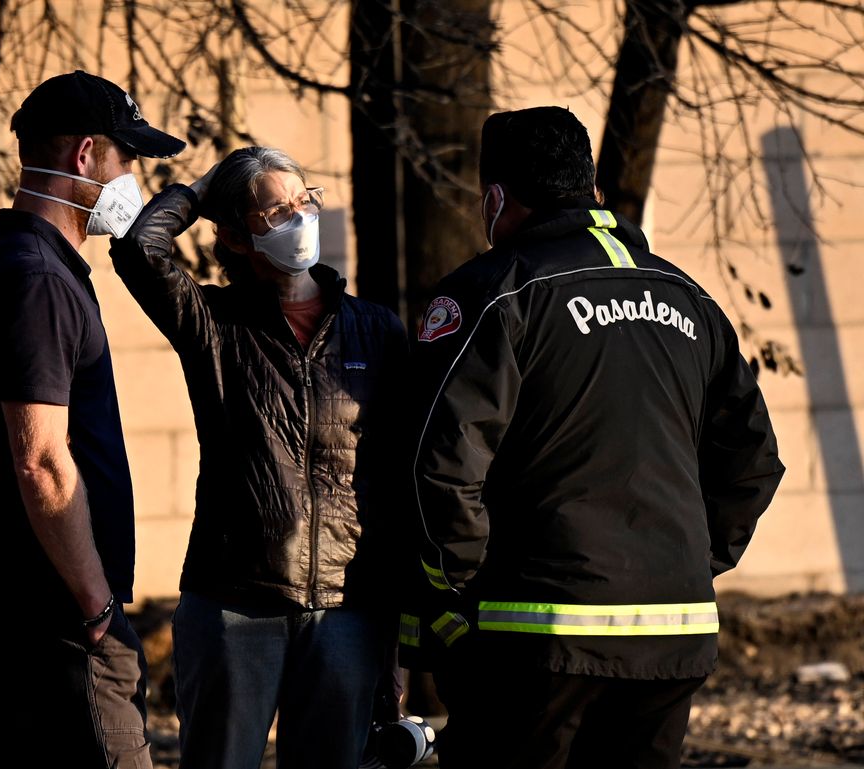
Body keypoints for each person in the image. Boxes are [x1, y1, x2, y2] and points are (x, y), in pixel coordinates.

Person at [403, 106, 785, 769]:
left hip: (538, 638)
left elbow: (441, 467)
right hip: (674, 634)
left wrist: (458, 590)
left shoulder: (495, 293)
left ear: (497, 199)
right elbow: (753, 461)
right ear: (593, 190)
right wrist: (693, 560)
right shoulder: (690, 299)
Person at [108, 146, 409, 769]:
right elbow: (141, 249)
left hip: (347, 605)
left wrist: (397, 617)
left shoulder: (376, 329)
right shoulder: (214, 323)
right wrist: (205, 185)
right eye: (276, 211)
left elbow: (399, 471)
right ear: (239, 238)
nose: (299, 218)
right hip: (234, 601)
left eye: (304, 201)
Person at [0, 70, 186, 769]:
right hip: (57, 625)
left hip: (28, 618)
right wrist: (97, 610)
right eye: (127, 158)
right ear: (86, 156)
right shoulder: (39, 279)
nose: (132, 178)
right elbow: (43, 461)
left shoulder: (19, 262)